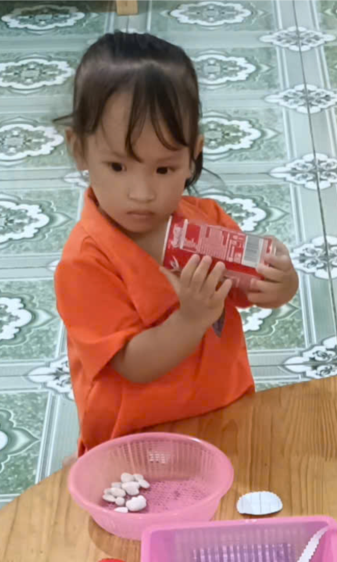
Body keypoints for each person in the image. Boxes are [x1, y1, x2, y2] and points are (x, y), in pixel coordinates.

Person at [53, 34, 300, 453]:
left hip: (226, 418)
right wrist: (191, 319)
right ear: (79, 150)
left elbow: (254, 290)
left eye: (164, 169)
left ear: (192, 156)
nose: (141, 193)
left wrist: (282, 282)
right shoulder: (85, 263)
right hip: (135, 443)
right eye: (117, 166)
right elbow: (131, 365)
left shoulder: (208, 222)